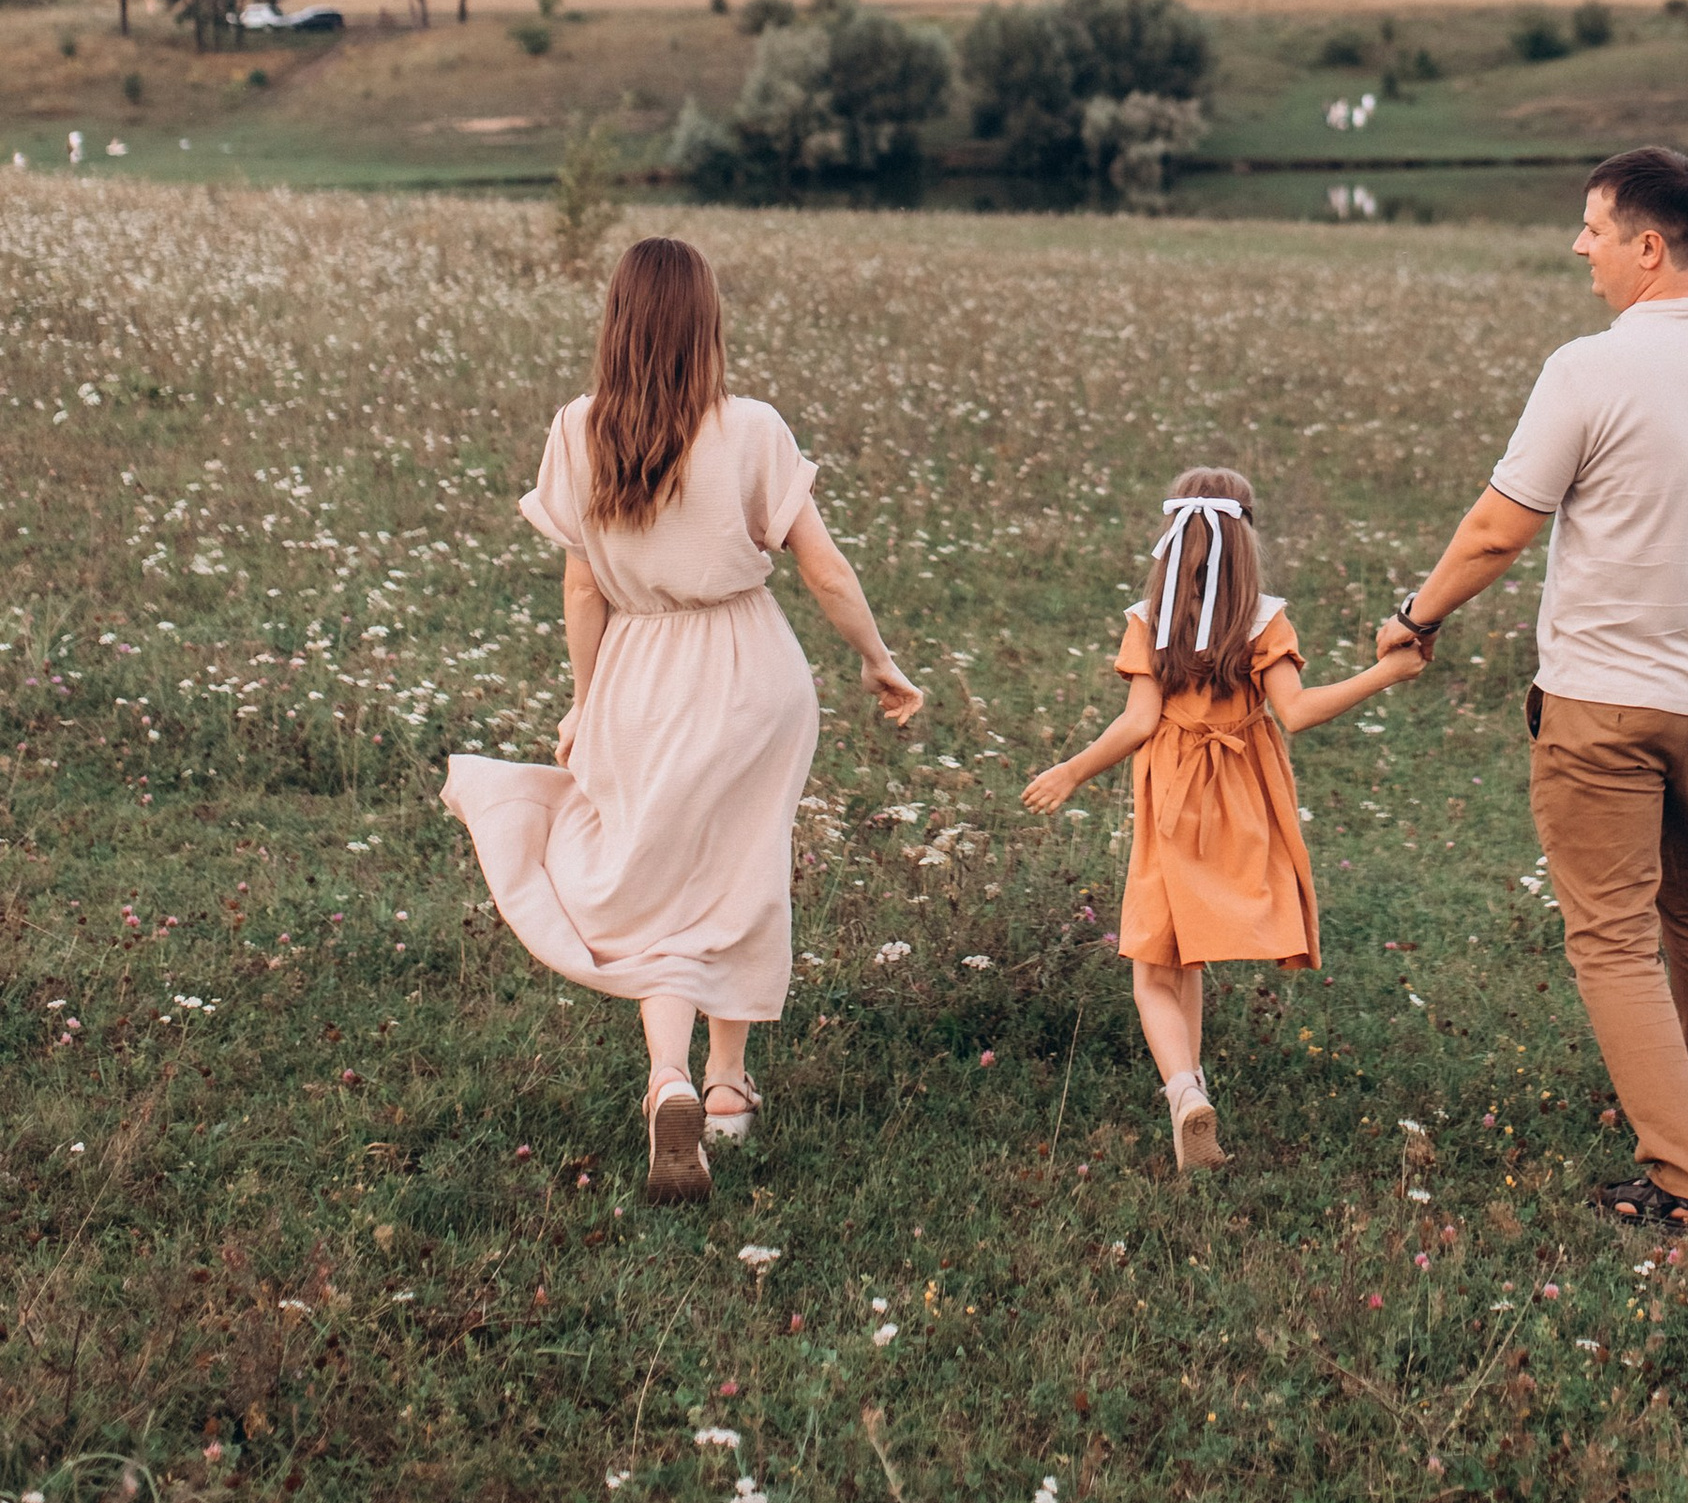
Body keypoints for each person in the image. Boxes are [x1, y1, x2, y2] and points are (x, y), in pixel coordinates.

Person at [1375, 145, 1688, 1233]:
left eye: (1593, 229)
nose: (1579, 247)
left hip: (1602, 706)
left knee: (1609, 937)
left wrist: (1416, 615)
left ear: (1649, 247)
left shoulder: (1585, 370)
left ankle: (1687, 1181)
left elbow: (1498, 530)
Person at [444, 236, 922, 1204]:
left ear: (616, 322)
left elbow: (583, 588)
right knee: (741, 866)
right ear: (707, 322)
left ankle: (668, 1075)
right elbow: (824, 569)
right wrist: (877, 659)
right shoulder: (751, 429)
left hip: (637, 672)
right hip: (748, 674)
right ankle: (727, 1087)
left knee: (656, 875)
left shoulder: (578, 430)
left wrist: (585, 704)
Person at [1022, 467, 1429, 1169]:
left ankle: (1183, 1092)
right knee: (1187, 952)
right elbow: (1295, 712)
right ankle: (1195, 1093)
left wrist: (1072, 770)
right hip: (1244, 793)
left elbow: (1138, 722)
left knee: (1155, 962)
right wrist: (1385, 674)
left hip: (1173, 793)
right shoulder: (1264, 618)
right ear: (1246, 538)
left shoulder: (1150, 620)